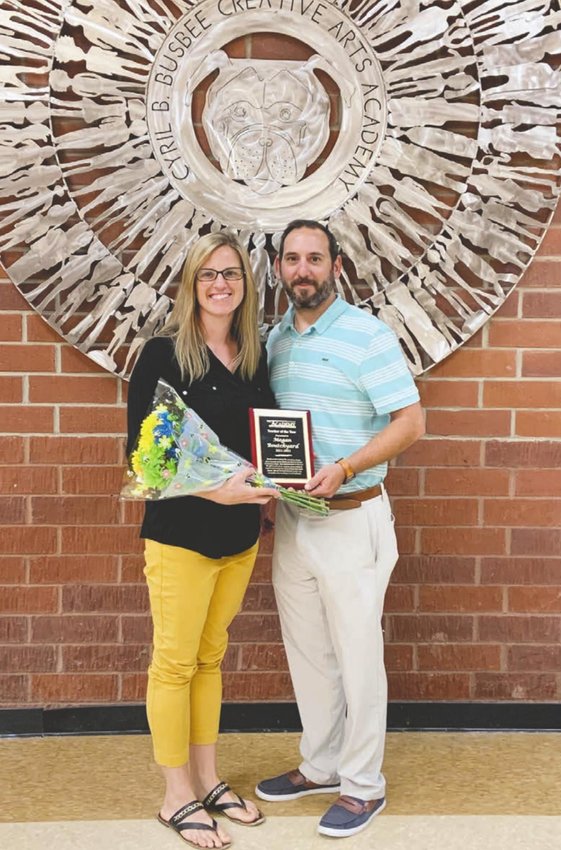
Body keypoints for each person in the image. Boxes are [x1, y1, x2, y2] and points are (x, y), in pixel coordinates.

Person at [256, 220, 425, 838]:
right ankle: (321, 765)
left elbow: (410, 421)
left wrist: (348, 466)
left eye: (315, 259)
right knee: (310, 655)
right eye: (293, 259)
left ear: (336, 266)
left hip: (353, 518)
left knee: (357, 658)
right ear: (279, 268)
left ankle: (363, 786)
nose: (304, 270)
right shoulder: (275, 339)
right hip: (297, 520)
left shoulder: (366, 335)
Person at [127, 231, 279, 849]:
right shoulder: (163, 357)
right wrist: (218, 492)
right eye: (208, 275)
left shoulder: (251, 356)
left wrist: (277, 483)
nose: (221, 284)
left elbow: (267, 439)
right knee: (174, 663)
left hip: (240, 537)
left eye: (232, 275)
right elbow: (148, 463)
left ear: (245, 286)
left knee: (211, 660)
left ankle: (209, 780)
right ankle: (175, 795)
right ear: (191, 285)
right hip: (181, 538)